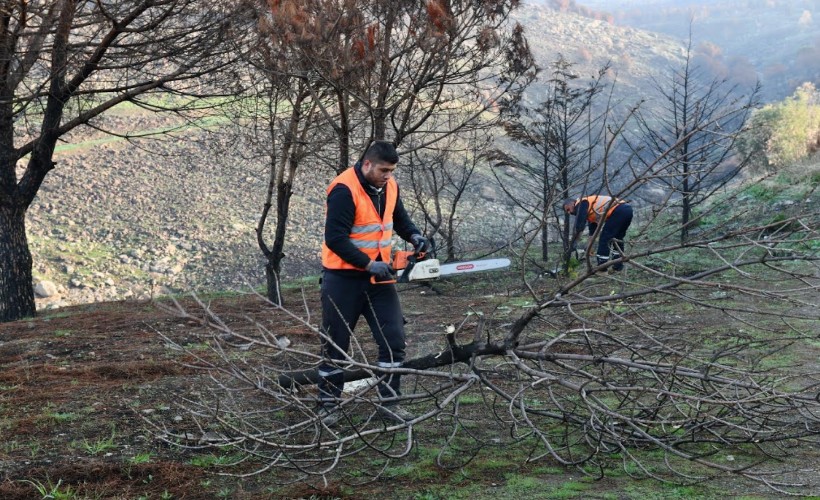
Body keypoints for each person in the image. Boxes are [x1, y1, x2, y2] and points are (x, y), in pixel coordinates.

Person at [318, 140, 430, 426]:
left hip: (379, 278)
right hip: (343, 279)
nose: (388, 175)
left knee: (393, 340)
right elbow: (335, 238)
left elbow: (400, 219)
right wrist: (368, 263)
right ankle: (328, 404)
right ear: (367, 164)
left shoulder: (390, 187)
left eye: (392, 170)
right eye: (383, 170)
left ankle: (390, 402)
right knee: (336, 344)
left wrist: (415, 236)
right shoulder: (344, 189)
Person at [563, 195, 633, 272]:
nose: (570, 213)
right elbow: (592, 233)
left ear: (573, 203)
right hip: (627, 210)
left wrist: (574, 243)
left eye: (568, 209)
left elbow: (579, 227)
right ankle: (618, 266)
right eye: (567, 212)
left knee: (605, 238)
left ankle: (602, 267)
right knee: (617, 238)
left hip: (618, 210)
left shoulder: (581, 204)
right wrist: (589, 247)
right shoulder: (590, 210)